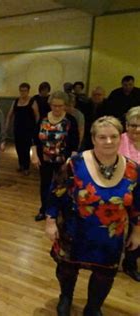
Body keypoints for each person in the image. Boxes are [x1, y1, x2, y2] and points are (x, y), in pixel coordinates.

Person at [46, 116, 140, 316]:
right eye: (102, 137)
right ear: (93, 138)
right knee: (67, 270)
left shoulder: (133, 169)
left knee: (104, 275)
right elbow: (56, 193)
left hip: (111, 235)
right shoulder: (75, 164)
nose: (108, 141)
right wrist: (50, 221)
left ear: (120, 138)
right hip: (74, 230)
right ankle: (66, 297)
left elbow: (137, 205)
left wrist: (137, 232)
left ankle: (93, 307)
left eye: (114, 136)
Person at [31, 91, 79, 222]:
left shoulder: (70, 120)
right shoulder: (43, 119)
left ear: (65, 105)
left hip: (63, 161)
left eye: (60, 105)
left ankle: (61, 211)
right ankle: (44, 210)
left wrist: (70, 161)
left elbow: (75, 144)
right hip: (45, 159)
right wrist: (34, 155)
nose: (57, 108)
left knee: (62, 187)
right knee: (45, 185)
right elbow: (35, 140)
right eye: (54, 105)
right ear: (50, 104)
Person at [119, 106, 140, 281]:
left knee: (138, 228)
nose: (137, 129)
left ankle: (130, 263)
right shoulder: (118, 140)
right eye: (133, 125)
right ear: (126, 125)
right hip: (120, 190)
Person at [6, 82, 40, 175]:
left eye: (25, 91)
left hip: (29, 129)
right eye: (21, 91)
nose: (23, 93)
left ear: (28, 91)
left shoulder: (32, 101)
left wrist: (37, 128)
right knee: (18, 147)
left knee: (26, 148)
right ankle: (21, 165)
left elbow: (37, 116)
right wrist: (7, 126)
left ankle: (26, 167)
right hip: (17, 128)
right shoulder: (16, 101)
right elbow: (10, 114)